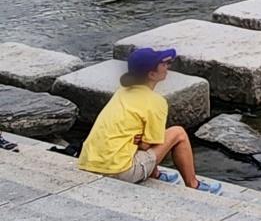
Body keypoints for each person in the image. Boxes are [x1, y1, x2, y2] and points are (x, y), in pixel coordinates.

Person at [78, 47, 222, 194]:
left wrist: (138, 140)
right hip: (119, 171)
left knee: (140, 132)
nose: (168, 66)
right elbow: (148, 145)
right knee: (178, 133)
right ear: (152, 74)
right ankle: (193, 184)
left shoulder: (121, 93)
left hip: (88, 162)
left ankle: (155, 174)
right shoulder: (156, 102)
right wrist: (142, 142)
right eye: (164, 64)